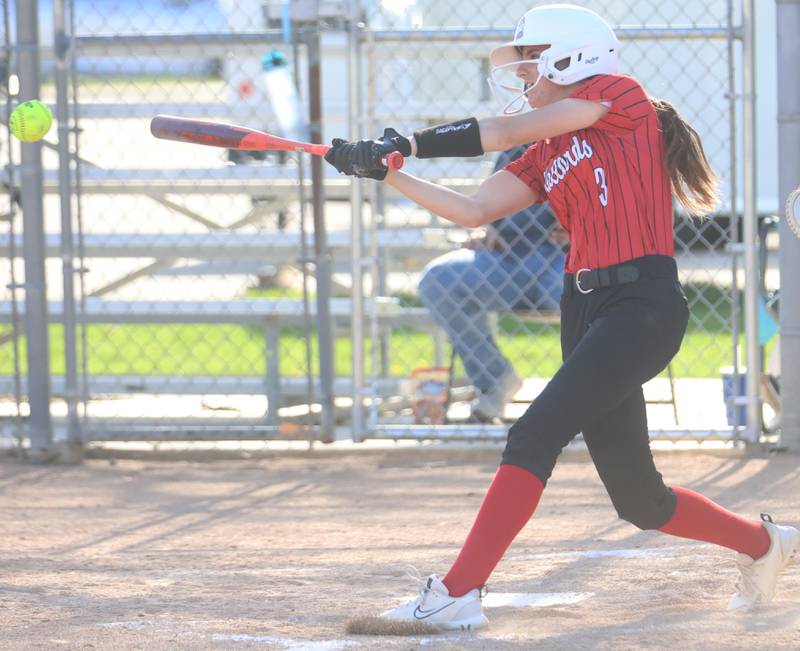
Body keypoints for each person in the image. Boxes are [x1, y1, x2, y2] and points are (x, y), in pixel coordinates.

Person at [325, 4, 799, 630]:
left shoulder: (617, 96)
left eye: (531, 57)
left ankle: (457, 595)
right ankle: (767, 545)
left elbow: (497, 132)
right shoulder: (547, 146)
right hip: (584, 306)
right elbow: (475, 210)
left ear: (571, 57)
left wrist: (408, 141)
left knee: (533, 434)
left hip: (642, 305)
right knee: (640, 499)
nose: (521, 72)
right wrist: (391, 173)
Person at [418, 146, 566, 424]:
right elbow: (489, 205)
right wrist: (486, 227)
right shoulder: (520, 140)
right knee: (439, 280)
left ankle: (583, 395)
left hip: (564, 259)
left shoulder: (590, 138)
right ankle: (496, 379)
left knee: (591, 290)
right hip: (505, 256)